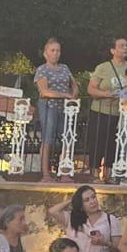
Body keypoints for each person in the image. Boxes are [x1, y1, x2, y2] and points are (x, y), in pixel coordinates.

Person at [85, 38, 127, 180]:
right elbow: (91, 89)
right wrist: (107, 94)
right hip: (101, 110)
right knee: (97, 141)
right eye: (121, 46)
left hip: (120, 113)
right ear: (113, 50)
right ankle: (94, 173)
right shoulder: (103, 67)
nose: (125, 48)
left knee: (114, 143)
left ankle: (109, 173)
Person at [33, 39, 77, 183]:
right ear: (45, 53)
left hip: (64, 107)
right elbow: (44, 91)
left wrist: (73, 95)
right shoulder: (42, 70)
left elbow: (73, 84)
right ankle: (46, 173)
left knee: (67, 138)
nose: (56, 53)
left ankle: (64, 172)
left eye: (58, 50)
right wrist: (65, 95)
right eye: (52, 50)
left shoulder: (65, 68)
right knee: (48, 139)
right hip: (48, 106)